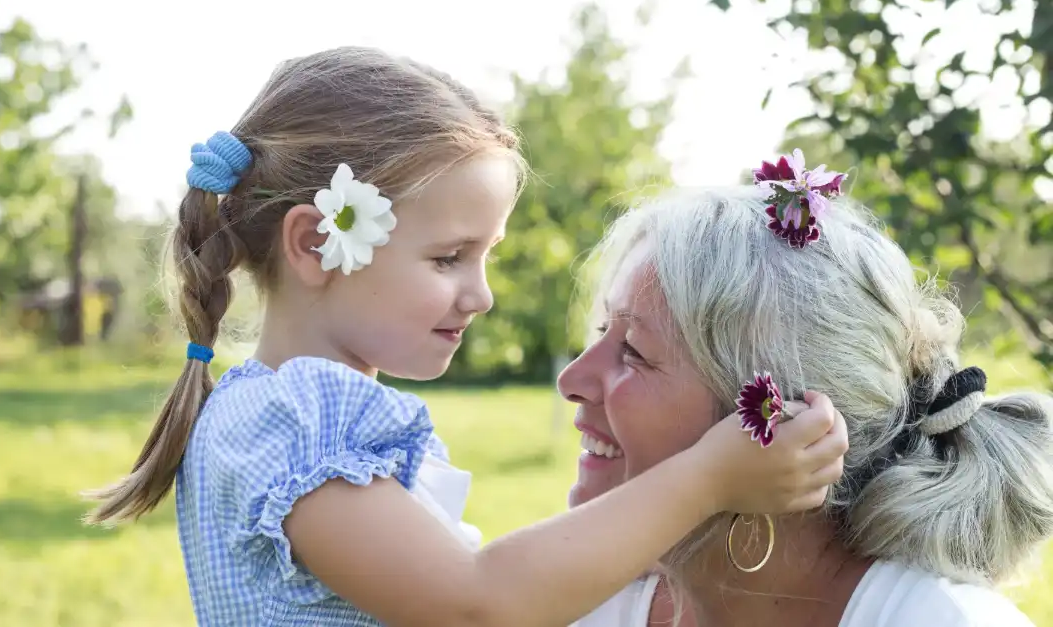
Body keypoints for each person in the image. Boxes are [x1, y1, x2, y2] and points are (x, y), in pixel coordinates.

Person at [82, 49, 850, 626]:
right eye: (449, 257)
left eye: (486, 256)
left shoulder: (281, 415)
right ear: (318, 243)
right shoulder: (297, 425)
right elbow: (479, 602)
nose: (479, 294)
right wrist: (707, 479)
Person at [563, 150, 1052, 627]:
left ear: (782, 427)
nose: (572, 381)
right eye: (604, 328)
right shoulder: (574, 601)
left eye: (635, 351)